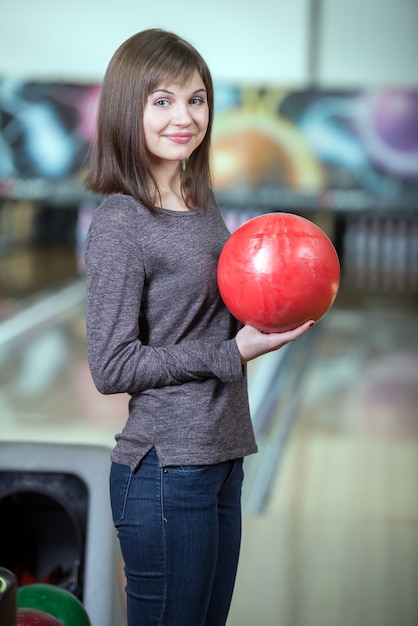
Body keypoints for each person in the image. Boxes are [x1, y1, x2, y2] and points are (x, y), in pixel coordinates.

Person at [84, 28, 314, 626]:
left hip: (222, 456)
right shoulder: (121, 221)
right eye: (161, 100)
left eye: (197, 98)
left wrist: (275, 301)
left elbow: (202, 318)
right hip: (165, 471)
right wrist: (229, 351)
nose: (184, 117)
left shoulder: (199, 201)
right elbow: (111, 367)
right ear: (125, 108)